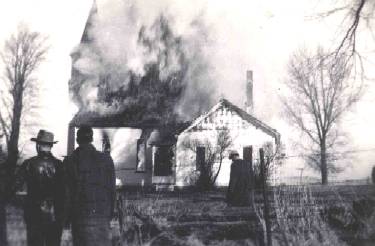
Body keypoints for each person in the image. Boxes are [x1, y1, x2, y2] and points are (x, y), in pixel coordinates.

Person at [64, 125, 116, 246]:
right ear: (91, 139)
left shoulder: (70, 161)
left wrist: (66, 220)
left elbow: (67, 194)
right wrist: (109, 214)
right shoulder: (107, 160)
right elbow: (112, 191)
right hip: (102, 217)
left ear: (77, 140)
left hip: (80, 218)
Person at [14, 130, 65, 246]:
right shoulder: (60, 165)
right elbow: (65, 193)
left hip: (33, 215)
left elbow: (15, 185)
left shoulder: (28, 164)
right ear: (51, 145)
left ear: (38, 145)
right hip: (55, 215)